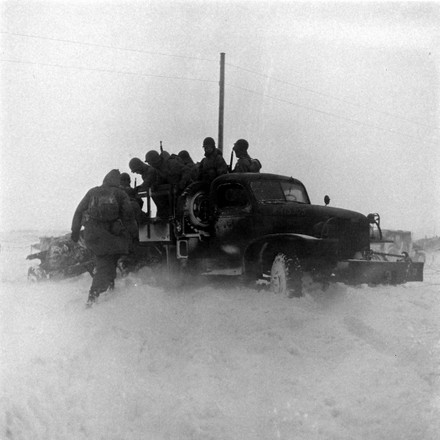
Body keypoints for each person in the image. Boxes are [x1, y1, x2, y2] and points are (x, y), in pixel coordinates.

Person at [71, 169, 138, 306]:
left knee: (107, 261)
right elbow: (129, 217)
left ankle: (109, 288)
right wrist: (135, 235)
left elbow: (78, 211)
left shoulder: (92, 192)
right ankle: (92, 299)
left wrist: (75, 231)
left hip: (92, 235)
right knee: (106, 265)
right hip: (110, 236)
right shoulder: (120, 193)